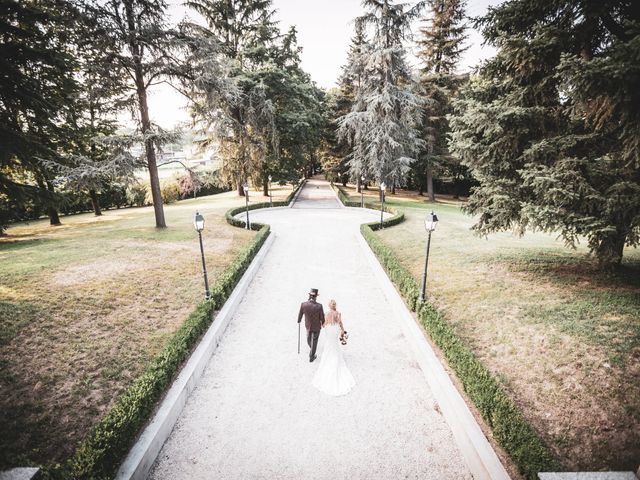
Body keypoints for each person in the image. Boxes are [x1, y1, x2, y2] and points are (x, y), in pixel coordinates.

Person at [312, 299, 356, 396]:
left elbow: (323, 325)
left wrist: (320, 323)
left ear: (329, 306)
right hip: (335, 329)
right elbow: (340, 323)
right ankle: (335, 356)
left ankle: (329, 355)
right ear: (335, 305)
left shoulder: (326, 313)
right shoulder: (338, 313)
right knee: (335, 342)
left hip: (329, 329)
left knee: (329, 342)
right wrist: (343, 331)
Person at [297, 288, 325, 362]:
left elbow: (300, 314)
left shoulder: (303, 304)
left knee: (309, 339)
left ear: (310, 295)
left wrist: (299, 320)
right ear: (316, 296)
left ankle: (312, 351)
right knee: (314, 341)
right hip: (317, 327)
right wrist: (323, 323)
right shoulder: (319, 306)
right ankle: (312, 355)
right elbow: (322, 317)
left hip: (308, 326)